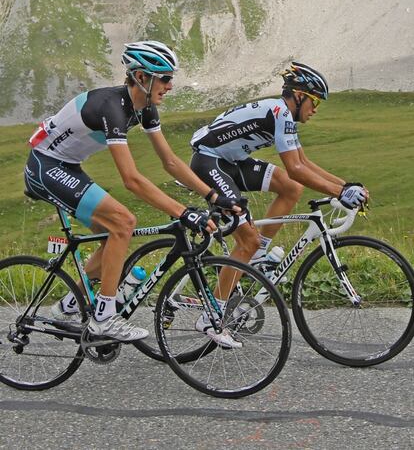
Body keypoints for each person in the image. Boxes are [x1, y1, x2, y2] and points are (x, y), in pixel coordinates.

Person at [24, 40, 240, 346]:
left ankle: (70, 303)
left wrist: (214, 196)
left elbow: (170, 161)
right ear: (141, 77)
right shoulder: (112, 107)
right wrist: (182, 211)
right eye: (164, 78)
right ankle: (103, 318)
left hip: (68, 166)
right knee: (123, 222)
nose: (170, 85)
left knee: (111, 237)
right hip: (45, 166)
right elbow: (131, 180)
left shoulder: (145, 109)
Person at [189, 61, 369, 315]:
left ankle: (259, 252)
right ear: (298, 96)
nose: (315, 110)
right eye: (314, 102)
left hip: (229, 162)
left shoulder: (281, 114)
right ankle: (214, 314)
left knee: (290, 187)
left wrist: (346, 185)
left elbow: (303, 163)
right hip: (209, 162)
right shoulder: (279, 112)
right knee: (246, 242)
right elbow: (296, 167)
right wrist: (339, 193)